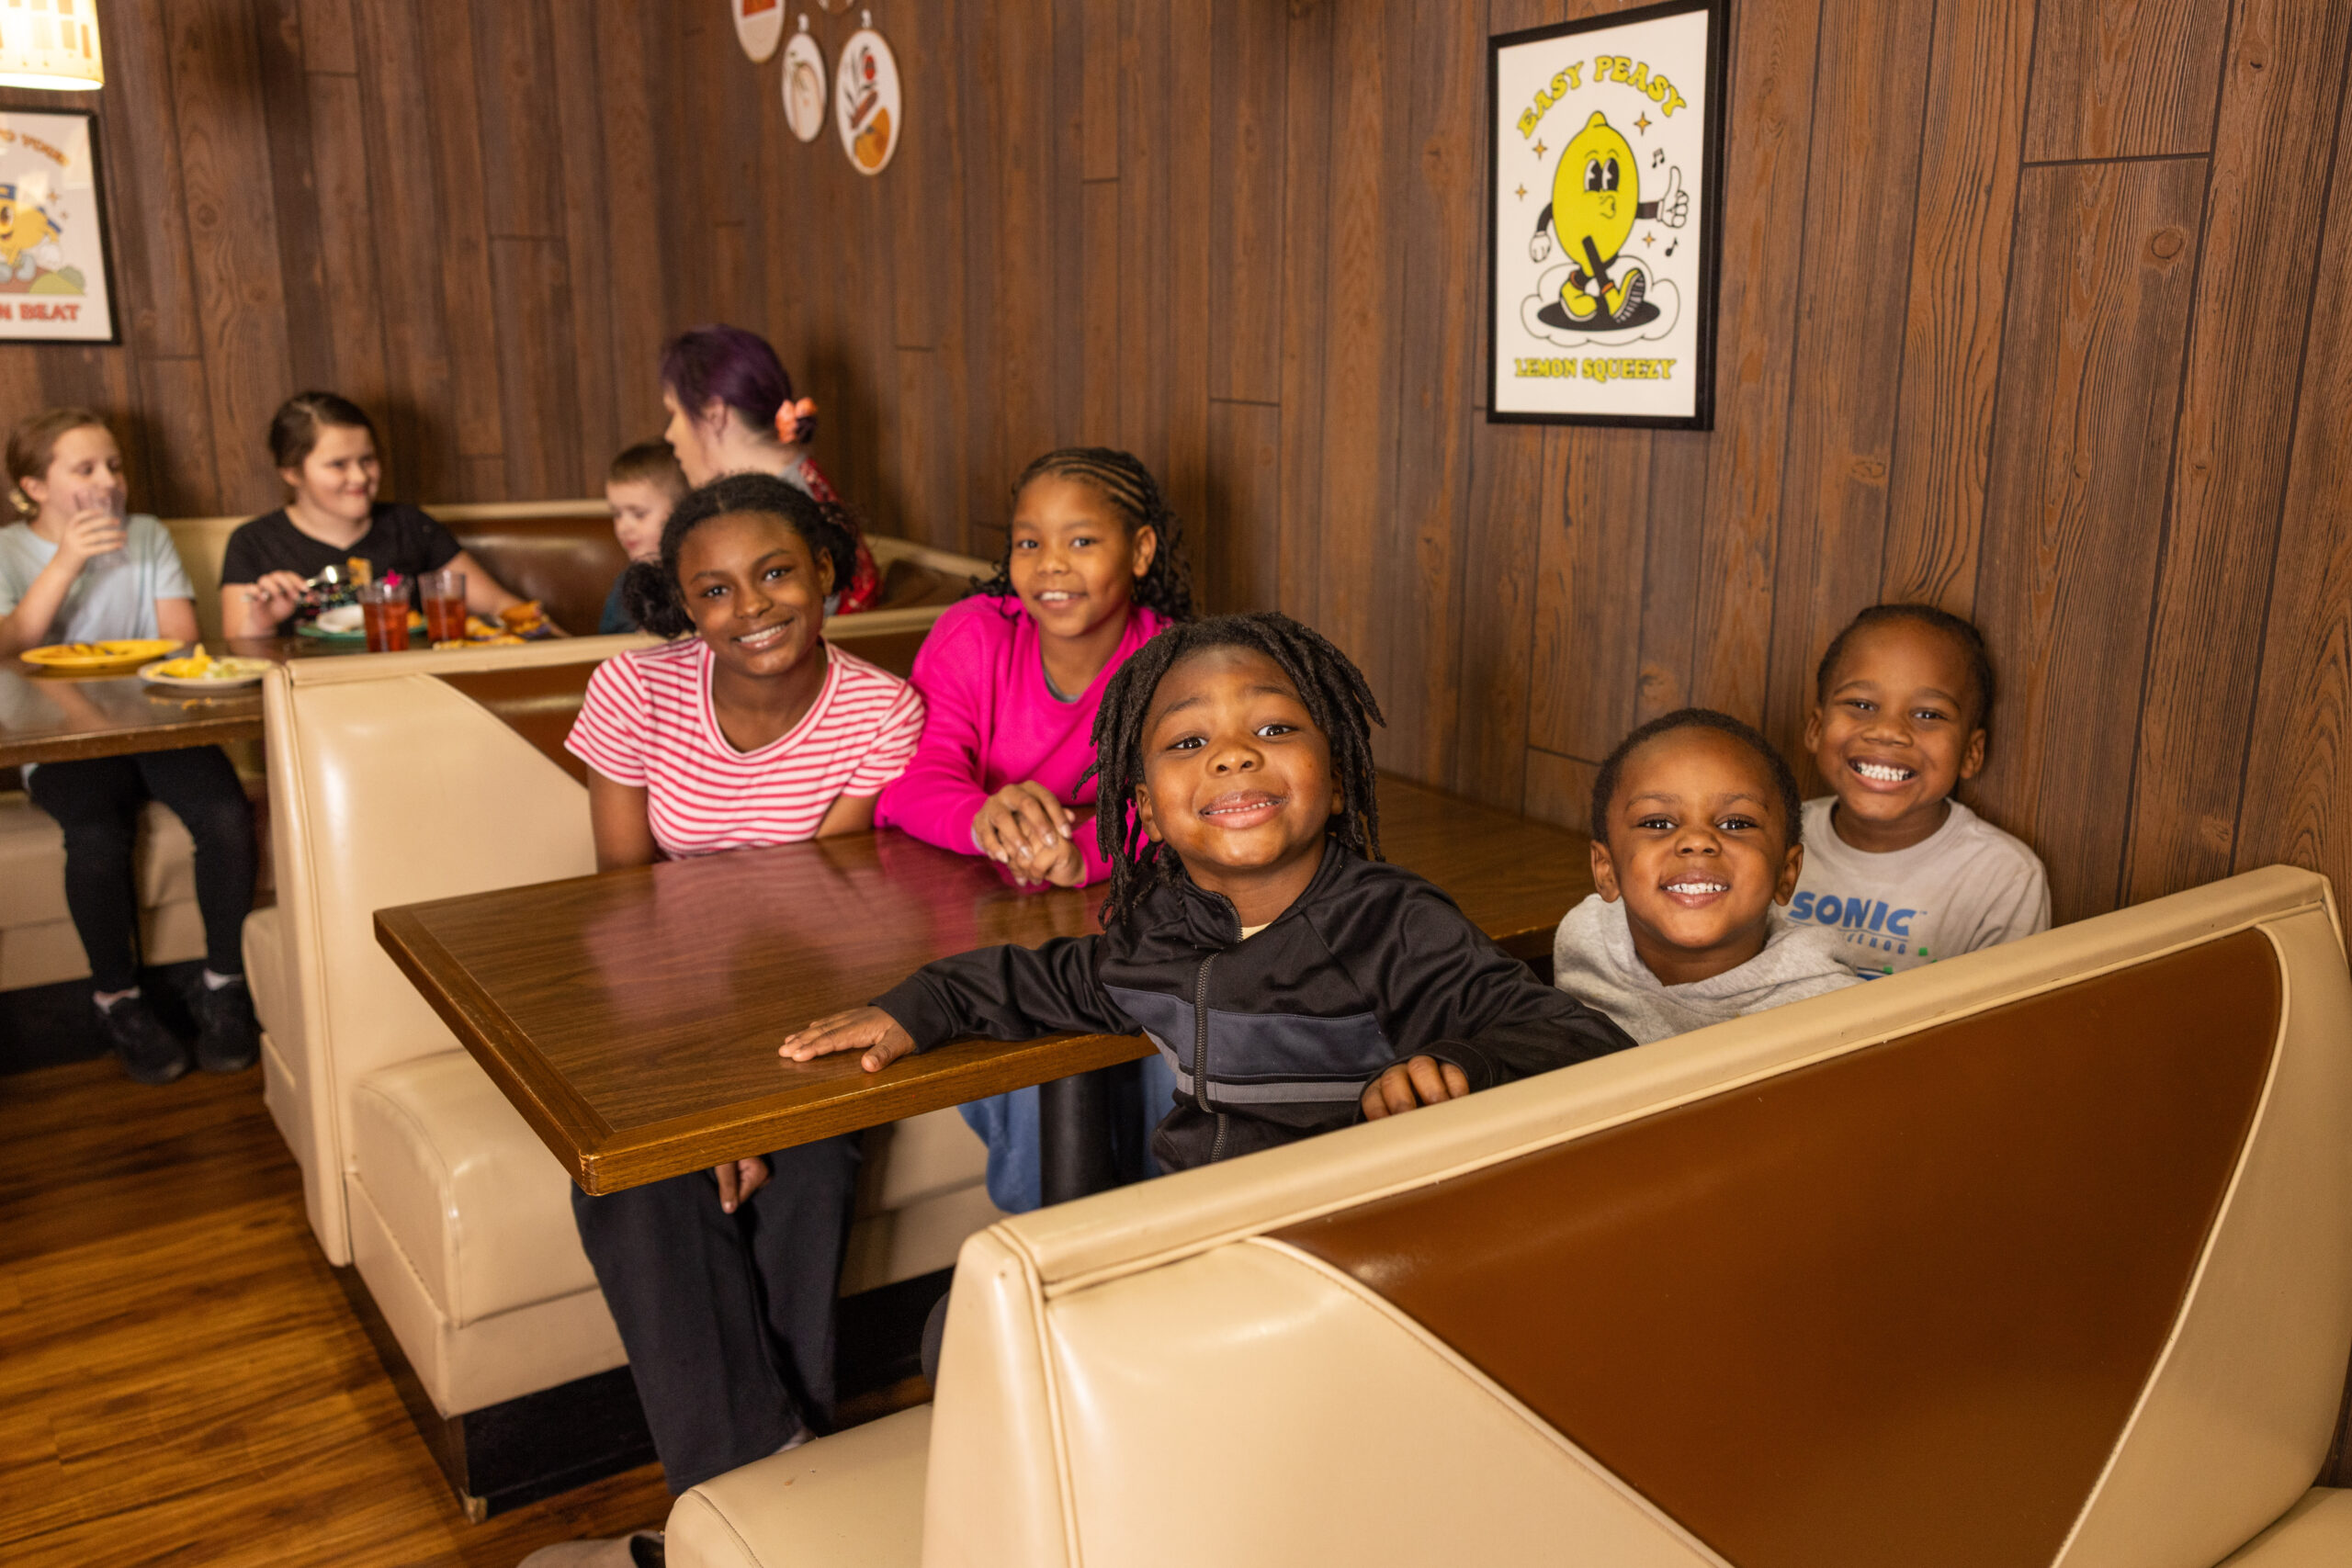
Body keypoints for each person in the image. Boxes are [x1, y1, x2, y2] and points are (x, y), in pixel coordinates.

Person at [782, 612, 1634, 1171]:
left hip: (1351, 1240)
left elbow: (1578, 1040)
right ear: (1145, 809)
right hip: (1203, 1230)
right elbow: (1044, 979)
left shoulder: (1394, 923)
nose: (1232, 755)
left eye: (1271, 728)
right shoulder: (1161, 929)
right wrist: (917, 1003)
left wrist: (1458, 1066)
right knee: (957, 1332)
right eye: (1190, 740)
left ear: (1335, 779)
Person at [553, 472, 922, 1526]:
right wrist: (707, 1096)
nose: (750, 609)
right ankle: (780, 1479)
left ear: (825, 573)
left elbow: (829, 910)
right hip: (654, 999)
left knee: (811, 1159)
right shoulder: (633, 689)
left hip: (806, 998)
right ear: (682, 604)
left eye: (773, 575)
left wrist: (750, 1103)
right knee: (626, 1174)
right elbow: (627, 902)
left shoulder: (880, 710)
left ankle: (740, 1506)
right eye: (713, 591)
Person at [874, 447, 1192, 1213]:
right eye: (1029, 542)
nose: (1052, 565)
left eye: (1082, 541)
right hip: (977, 922)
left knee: (1164, 1045)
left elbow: (1183, 799)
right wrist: (984, 818)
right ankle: (1045, 1247)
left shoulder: (1171, 656)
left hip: (1122, 924)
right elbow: (915, 782)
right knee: (1017, 1045)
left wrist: (1081, 849)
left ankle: (1155, 1253)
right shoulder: (973, 635)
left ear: (1141, 550)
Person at [0, 409, 261, 1083]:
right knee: (94, 833)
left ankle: (224, 983)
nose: (108, 481)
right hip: (55, 733)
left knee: (227, 812)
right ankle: (117, 1000)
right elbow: (8, 647)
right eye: (84, 469)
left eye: (113, 466)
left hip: (153, 722)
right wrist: (66, 562)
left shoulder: (146, 535)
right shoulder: (6, 550)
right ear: (32, 487)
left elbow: (179, 637)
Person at [1554, 709, 1857, 1043]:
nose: (1697, 842)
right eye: (1657, 823)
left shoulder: (1834, 1010)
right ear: (1605, 871)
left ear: (1786, 874)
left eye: (1737, 824)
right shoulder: (1584, 940)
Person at [1788, 604, 2051, 976]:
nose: (1888, 731)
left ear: (1971, 753)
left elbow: (2000, 1023)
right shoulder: (1772, 838)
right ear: (1816, 729)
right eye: (1861, 705)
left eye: (1928, 714)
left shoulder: (2002, 877)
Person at [219, 392, 526, 638]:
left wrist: (559, 645)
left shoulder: (411, 526)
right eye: (338, 464)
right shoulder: (253, 542)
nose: (360, 477)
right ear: (292, 473)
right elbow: (237, 657)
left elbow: (502, 606)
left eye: (367, 460)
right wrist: (261, 622)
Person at [658, 324, 882, 615]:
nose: (669, 435)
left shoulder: (776, 508)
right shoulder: (798, 480)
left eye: (674, 414)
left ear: (715, 415)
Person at [597, 440, 688, 634]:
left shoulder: (696, 579)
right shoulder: (626, 586)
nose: (623, 528)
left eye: (639, 514)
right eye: (617, 514)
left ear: (680, 513)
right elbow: (606, 646)